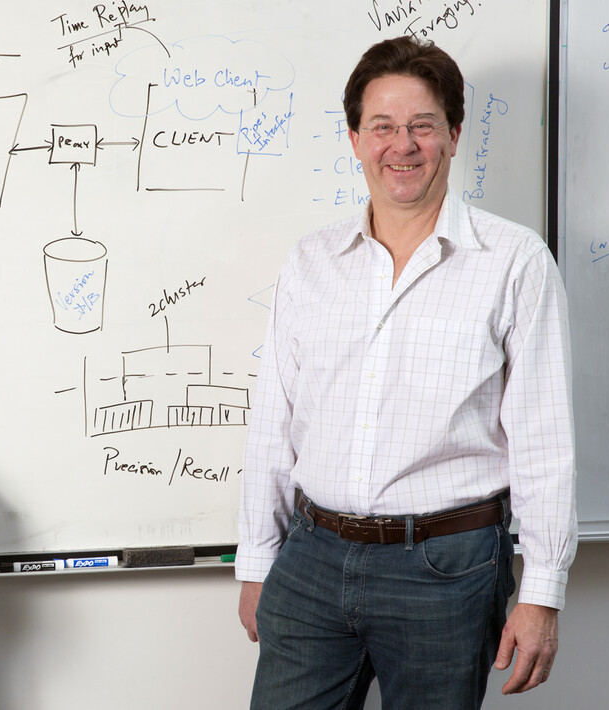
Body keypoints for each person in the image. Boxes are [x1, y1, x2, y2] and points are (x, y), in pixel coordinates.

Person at [236, 36, 576, 709]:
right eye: (383, 127)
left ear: (452, 134)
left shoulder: (514, 262)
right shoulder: (311, 262)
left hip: (447, 570)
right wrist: (257, 562)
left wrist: (542, 593)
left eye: (421, 125)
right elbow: (274, 422)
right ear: (356, 139)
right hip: (310, 560)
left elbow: (544, 441)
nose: (403, 145)